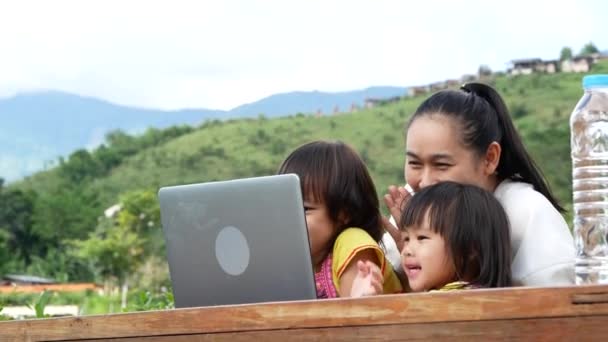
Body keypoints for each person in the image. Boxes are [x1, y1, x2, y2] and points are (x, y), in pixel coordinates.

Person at [382, 83, 574, 287]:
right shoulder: (416, 206)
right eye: (414, 163)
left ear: (490, 158)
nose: (425, 181)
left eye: (441, 165)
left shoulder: (527, 212)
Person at [278, 140, 402, 298]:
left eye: (304, 209)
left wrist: (359, 299)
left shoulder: (352, 241)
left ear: (344, 213)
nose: (290, 217)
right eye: (283, 207)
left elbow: (352, 313)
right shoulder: (300, 262)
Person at [353, 181, 512, 294]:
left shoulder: (450, 303)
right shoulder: (483, 297)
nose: (406, 250)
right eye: (407, 239)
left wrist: (363, 302)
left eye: (422, 238)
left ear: (469, 247)